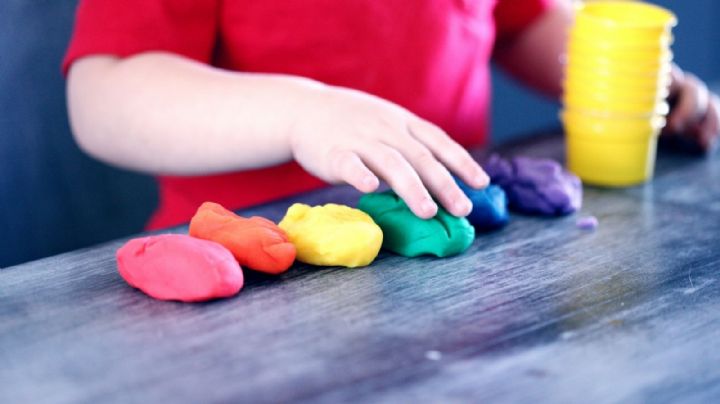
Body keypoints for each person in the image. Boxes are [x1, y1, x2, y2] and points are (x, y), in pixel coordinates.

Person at [63, 0, 719, 230]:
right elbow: (105, 95)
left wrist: (630, 85)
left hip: (452, 254)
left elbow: (521, 23)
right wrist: (303, 114)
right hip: (249, 277)